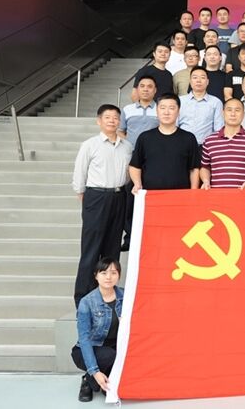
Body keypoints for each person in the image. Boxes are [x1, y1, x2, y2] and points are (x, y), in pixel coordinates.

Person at [72, 104, 131, 307]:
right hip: (96, 196)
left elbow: (128, 175)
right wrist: (83, 194)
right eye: (108, 117)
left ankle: (108, 296)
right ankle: (83, 298)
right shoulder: (90, 145)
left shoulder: (127, 146)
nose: (112, 121)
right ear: (99, 121)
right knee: (91, 249)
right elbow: (80, 172)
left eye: (116, 117)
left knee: (112, 250)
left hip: (119, 196)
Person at [72, 257, 123, 402]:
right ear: (96, 275)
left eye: (113, 273)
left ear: (119, 275)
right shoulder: (87, 302)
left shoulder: (126, 297)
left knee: (122, 357)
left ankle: (100, 379)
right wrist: (94, 372)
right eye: (104, 273)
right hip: (89, 348)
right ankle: (89, 380)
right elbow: (84, 339)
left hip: (116, 346)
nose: (108, 277)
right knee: (110, 355)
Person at [129, 93, 201, 193]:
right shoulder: (145, 137)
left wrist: (193, 193)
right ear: (157, 111)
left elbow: (194, 169)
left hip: (180, 195)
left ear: (178, 112)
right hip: (151, 195)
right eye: (162, 108)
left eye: (171, 108)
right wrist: (137, 184)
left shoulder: (189, 138)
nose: (166, 112)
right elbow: (135, 165)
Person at [117, 76, 158, 251]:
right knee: (130, 197)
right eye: (142, 86)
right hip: (132, 158)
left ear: (155, 90)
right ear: (137, 89)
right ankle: (130, 237)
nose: (146, 89)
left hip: (154, 158)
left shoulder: (160, 109)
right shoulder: (127, 109)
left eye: (150, 86)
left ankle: (150, 235)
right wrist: (130, 144)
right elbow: (120, 131)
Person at [200, 98, 245, 189]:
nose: (233, 114)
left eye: (237, 110)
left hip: (243, 194)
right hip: (217, 194)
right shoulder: (209, 140)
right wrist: (206, 181)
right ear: (223, 113)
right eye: (229, 110)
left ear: (244, 114)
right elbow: (205, 167)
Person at [177, 66, 224, 145]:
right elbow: (174, 125)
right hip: (182, 145)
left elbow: (218, 129)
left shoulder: (216, 102)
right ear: (190, 81)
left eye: (202, 77)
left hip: (206, 146)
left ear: (207, 81)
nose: (198, 81)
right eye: (195, 77)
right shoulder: (180, 101)